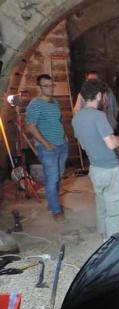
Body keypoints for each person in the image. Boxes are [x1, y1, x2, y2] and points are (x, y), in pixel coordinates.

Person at [72, 79, 119, 239]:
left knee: (102, 205)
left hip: (95, 169)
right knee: (117, 210)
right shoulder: (99, 116)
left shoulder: (76, 118)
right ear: (99, 96)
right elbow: (111, 143)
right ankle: (116, 247)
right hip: (110, 171)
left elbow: (85, 145)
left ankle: (104, 236)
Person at [25, 74, 68, 221]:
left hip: (62, 145)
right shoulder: (35, 104)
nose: (50, 88)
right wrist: (45, 144)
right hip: (48, 149)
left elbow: (58, 121)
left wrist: (65, 136)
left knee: (58, 177)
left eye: (52, 85)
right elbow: (31, 126)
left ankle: (52, 203)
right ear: (40, 87)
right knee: (52, 179)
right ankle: (56, 210)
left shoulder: (55, 102)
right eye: (46, 86)